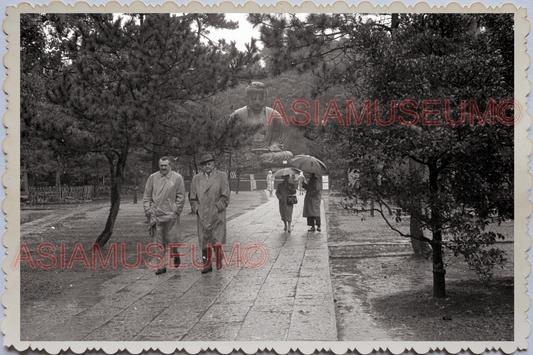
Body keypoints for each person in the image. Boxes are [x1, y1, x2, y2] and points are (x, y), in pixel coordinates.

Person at [230, 82, 293, 165]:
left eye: (260, 99)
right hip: (246, 154)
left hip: (267, 153)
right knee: (235, 156)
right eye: (253, 99)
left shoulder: (275, 116)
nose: (257, 102)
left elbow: (279, 142)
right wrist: (245, 150)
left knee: (288, 155)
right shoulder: (237, 115)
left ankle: (257, 161)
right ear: (247, 97)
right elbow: (232, 140)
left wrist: (269, 149)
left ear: (265, 98)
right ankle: (257, 161)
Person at [143, 156, 186, 275]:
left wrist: (176, 211)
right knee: (158, 242)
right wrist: (148, 209)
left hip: (171, 215)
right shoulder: (152, 178)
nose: (163, 167)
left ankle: (175, 251)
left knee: (171, 239)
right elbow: (146, 196)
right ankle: (161, 266)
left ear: (170, 165)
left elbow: (181, 197)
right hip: (156, 215)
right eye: (161, 165)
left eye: (165, 165)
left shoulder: (177, 178)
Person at [190, 154, 230, 274]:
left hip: (217, 214)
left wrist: (217, 207)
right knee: (204, 241)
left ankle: (218, 257)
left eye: (209, 164)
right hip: (202, 215)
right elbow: (193, 197)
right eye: (204, 165)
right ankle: (206, 265)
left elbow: (225, 196)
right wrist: (196, 209)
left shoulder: (222, 176)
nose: (207, 166)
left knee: (216, 239)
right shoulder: (196, 179)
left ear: (214, 164)